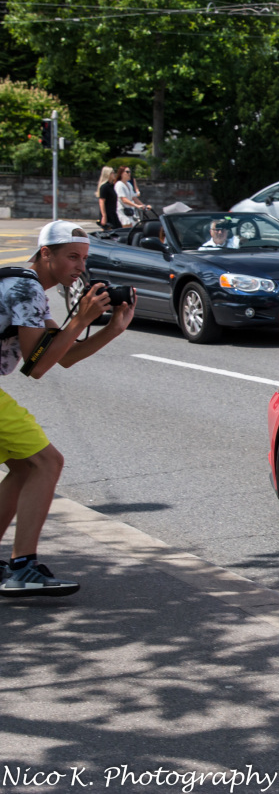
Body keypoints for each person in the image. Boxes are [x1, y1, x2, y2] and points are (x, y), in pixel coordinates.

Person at [0, 222, 134, 597]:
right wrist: (82, 319)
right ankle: (23, 567)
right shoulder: (26, 286)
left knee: (27, 467)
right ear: (46, 254)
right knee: (48, 463)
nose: (80, 266)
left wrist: (112, 329)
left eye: (84, 258)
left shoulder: (27, 287)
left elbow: (61, 356)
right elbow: (37, 366)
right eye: (72, 257)